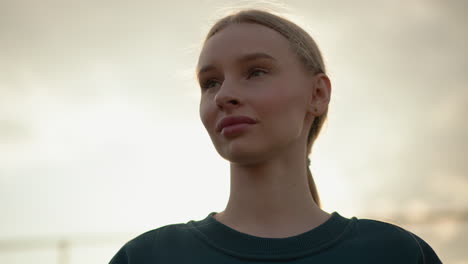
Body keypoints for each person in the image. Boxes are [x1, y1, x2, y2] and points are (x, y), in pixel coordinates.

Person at [109, 9, 442, 263]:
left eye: (256, 72)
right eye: (210, 82)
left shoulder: (395, 253)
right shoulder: (148, 257)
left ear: (317, 93)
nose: (224, 94)